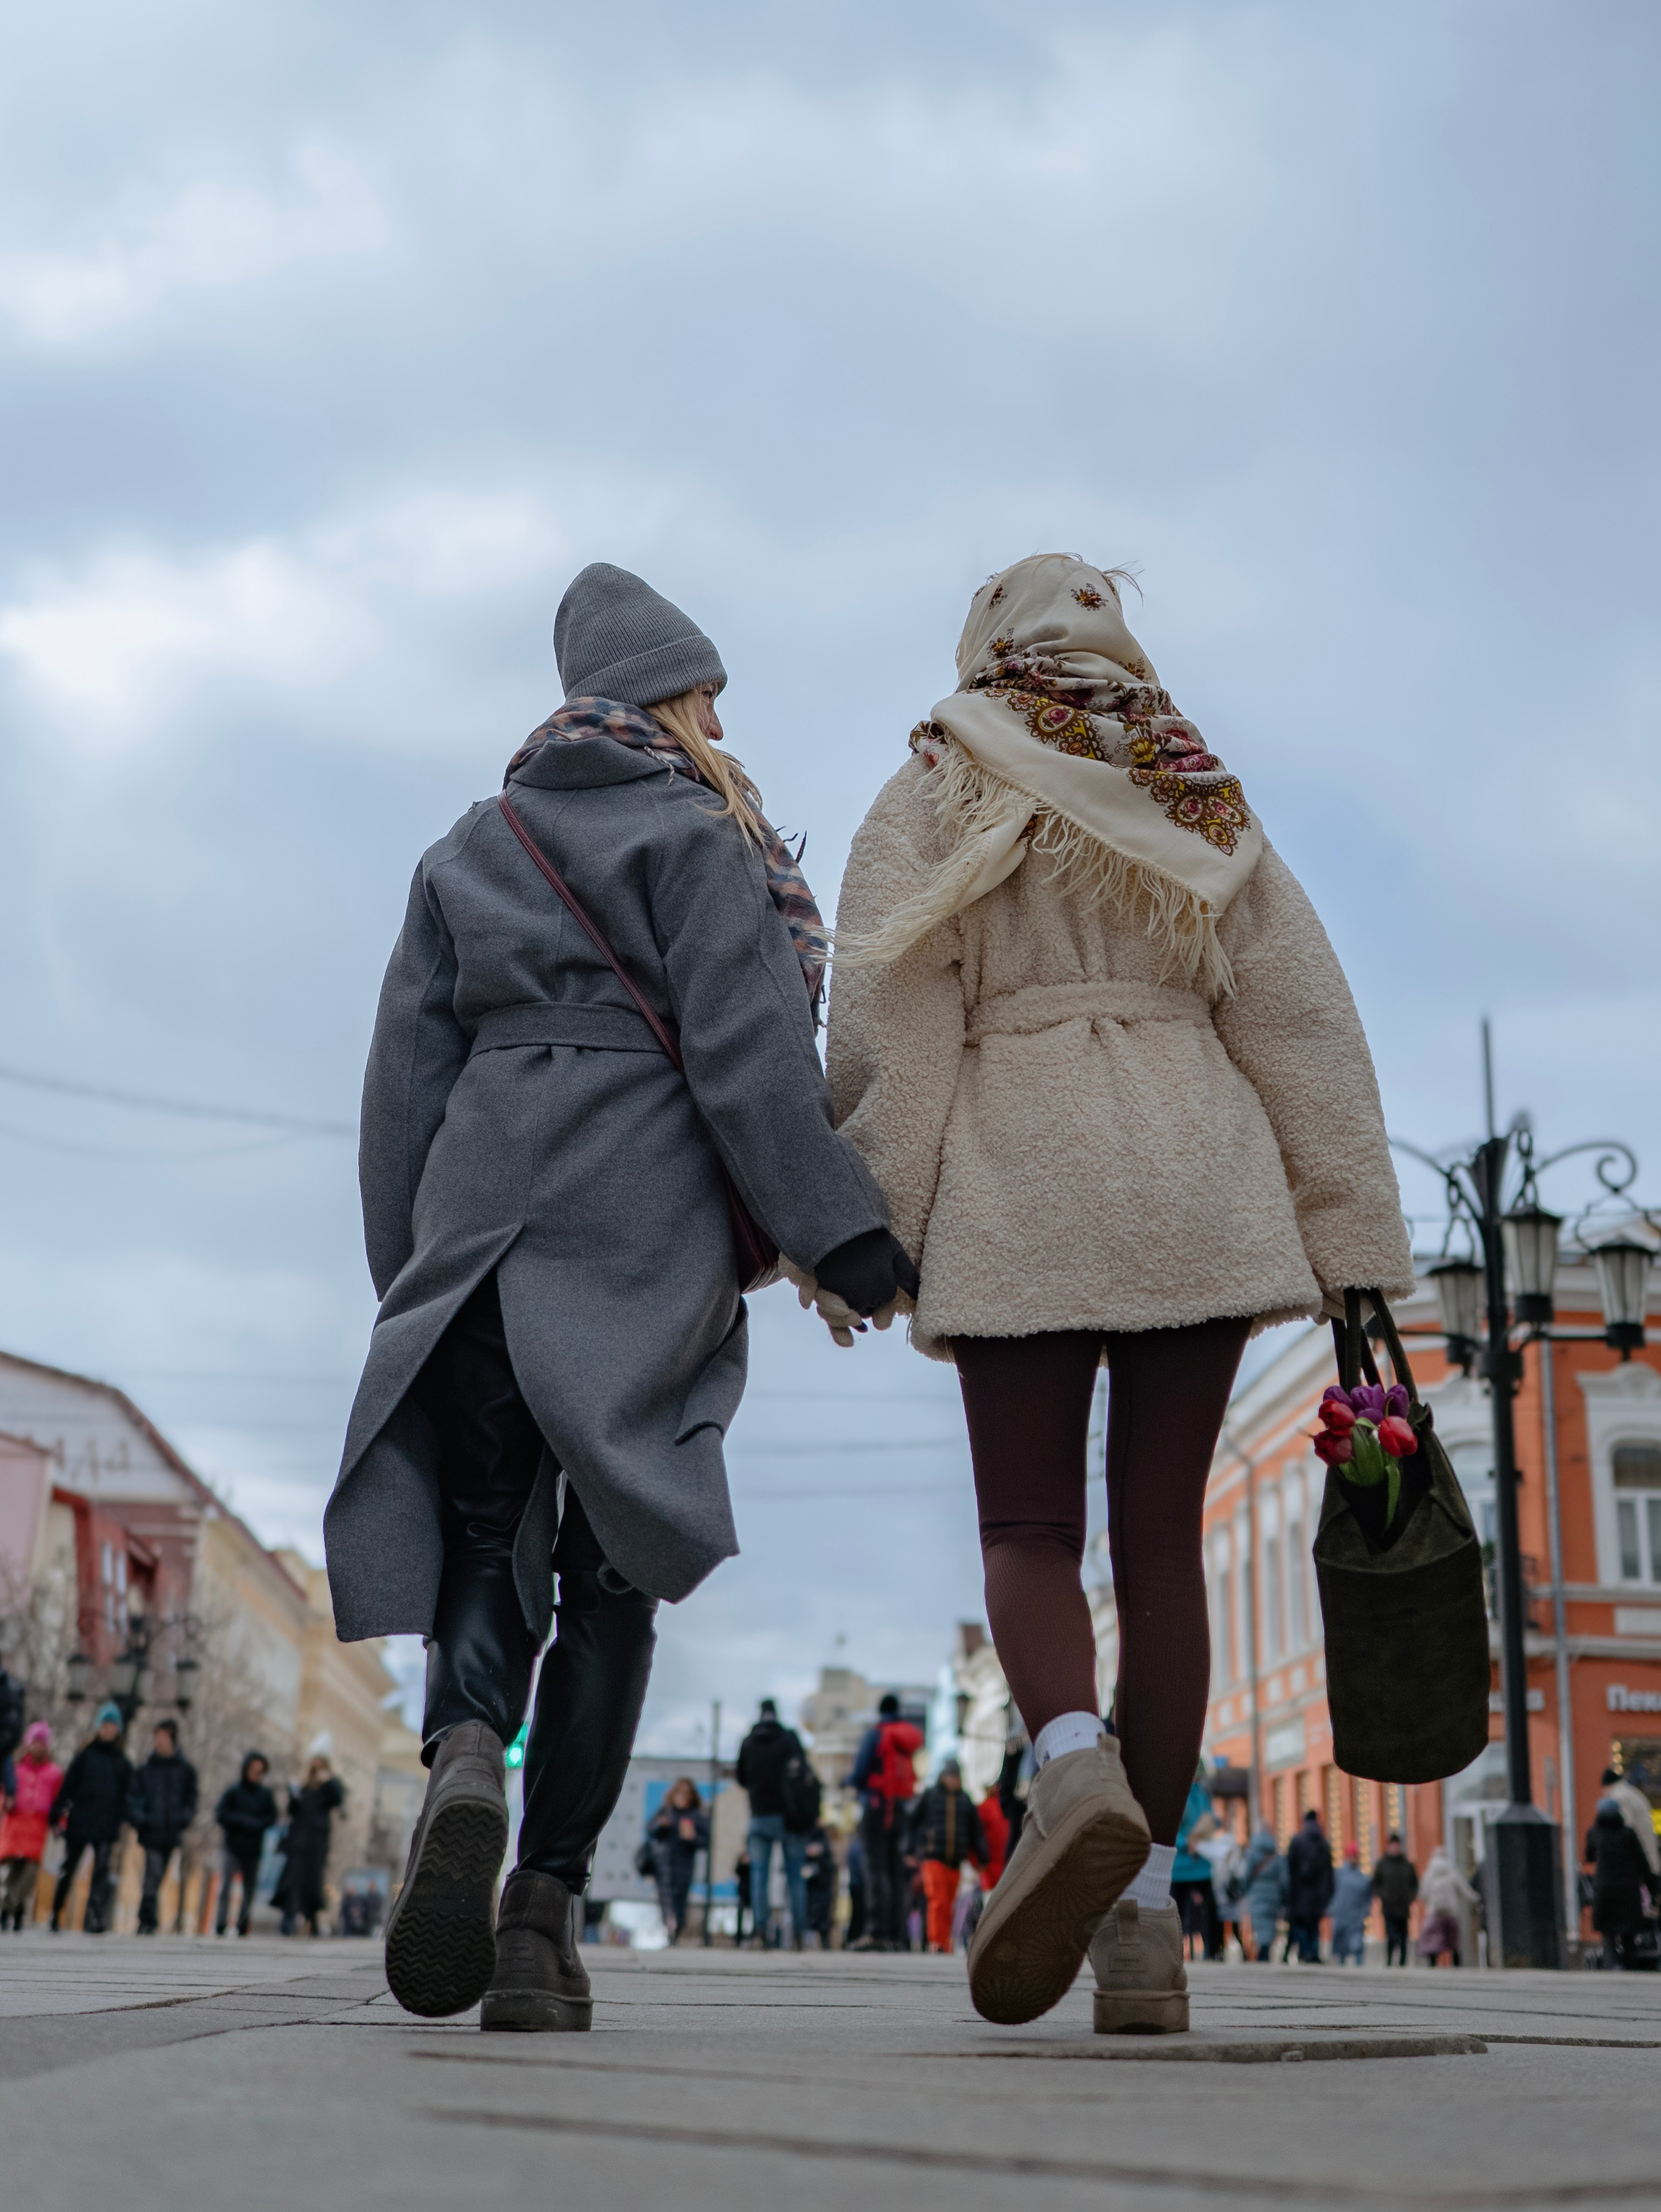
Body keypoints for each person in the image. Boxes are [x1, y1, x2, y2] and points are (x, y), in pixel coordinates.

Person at [827, 553, 1411, 2032]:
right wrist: (1345, 1238)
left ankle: (1068, 1760)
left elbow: (895, 1024)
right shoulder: (1188, 785)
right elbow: (1296, 1016)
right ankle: (1141, 1922)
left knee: (1030, 1528)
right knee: (1157, 1548)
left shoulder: (934, 788)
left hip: (1024, 1176)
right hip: (1197, 1178)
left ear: (980, 649)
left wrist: (864, 1230)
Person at [325, 564, 910, 2030]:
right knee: (612, 1569)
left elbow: (402, 1081)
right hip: (639, 1228)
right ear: (677, 694)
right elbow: (746, 1055)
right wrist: (841, 1239)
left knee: (484, 1528)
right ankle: (538, 1917)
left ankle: (466, 1748)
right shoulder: (699, 834)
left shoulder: (473, 842)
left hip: (480, 1220)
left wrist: (415, 1273)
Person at [845, 1694, 923, 1951]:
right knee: (895, 1871)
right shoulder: (905, 1739)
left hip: (877, 1808)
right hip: (900, 1809)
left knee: (875, 1870)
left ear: (880, 1712)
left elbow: (859, 1774)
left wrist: (851, 1783)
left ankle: (876, 1932)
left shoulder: (876, 1735)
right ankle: (897, 1935)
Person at [50, 1705, 132, 1933]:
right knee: (69, 1867)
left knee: (101, 1872)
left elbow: (129, 1795)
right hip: (81, 1820)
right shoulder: (85, 1756)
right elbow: (68, 1787)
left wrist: (126, 1816)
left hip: (107, 1823)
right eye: (105, 1725)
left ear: (118, 1730)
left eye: (113, 1726)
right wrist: (57, 1814)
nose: (108, 1730)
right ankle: (56, 1912)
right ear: (99, 1727)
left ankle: (95, 1916)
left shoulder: (123, 1763)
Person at [736, 1700, 811, 1947]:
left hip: (759, 1816)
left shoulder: (749, 1742)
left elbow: (741, 1778)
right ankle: (799, 1935)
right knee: (795, 1877)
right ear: (777, 1714)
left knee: (759, 1876)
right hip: (790, 1817)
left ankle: (760, 1931)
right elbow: (804, 1773)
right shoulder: (789, 1739)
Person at [127, 1719, 199, 1936]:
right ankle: (147, 1920)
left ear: (172, 1740)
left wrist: (183, 1819)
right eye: (156, 1736)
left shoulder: (186, 1771)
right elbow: (133, 1799)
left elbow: (191, 1799)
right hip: (150, 1832)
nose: (158, 1741)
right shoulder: (145, 1770)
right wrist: (141, 1819)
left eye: (162, 1736)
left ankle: (148, 1919)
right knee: (153, 1873)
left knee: (158, 1877)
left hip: (171, 1833)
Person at [909, 1759, 986, 1953]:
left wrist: (981, 1857)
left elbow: (975, 1830)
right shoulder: (931, 1796)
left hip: (955, 1860)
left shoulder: (965, 1800)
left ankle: (944, 1942)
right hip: (933, 1857)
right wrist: (911, 1850)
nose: (954, 1780)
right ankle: (937, 1942)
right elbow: (913, 1824)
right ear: (943, 1777)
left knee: (949, 1902)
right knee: (938, 1901)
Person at [0, 1723, 63, 1930]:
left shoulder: (54, 1773)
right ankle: (9, 1907)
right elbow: (4, 1792)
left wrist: (60, 1823)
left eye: (41, 1743)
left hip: (37, 1826)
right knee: (11, 1870)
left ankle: (14, 1906)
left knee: (30, 1872)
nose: (38, 1747)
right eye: (34, 1742)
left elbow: (59, 1801)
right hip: (15, 1824)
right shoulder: (15, 1769)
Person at [273, 1756, 344, 1936]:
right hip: (298, 1842)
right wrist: (293, 1795)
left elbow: (337, 1800)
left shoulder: (329, 1788)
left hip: (316, 1844)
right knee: (292, 1880)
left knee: (312, 1881)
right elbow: (293, 1811)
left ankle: (312, 1919)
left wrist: (327, 1781)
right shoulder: (304, 1789)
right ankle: (288, 1918)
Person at [1584, 1799, 1655, 1971]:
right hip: (1628, 1890)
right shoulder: (1628, 1833)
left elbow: (1589, 1856)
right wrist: (1652, 1887)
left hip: (1605, 1889)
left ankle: (1612, 1965)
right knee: (1629, 1933)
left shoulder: (1594, 1832)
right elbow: (1642, 1862)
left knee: (1608, 1934)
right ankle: (1630, 1966)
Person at [215, 1751, 279, 1937]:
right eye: (253, 1770)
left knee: (249, 1890)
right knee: (226, 1886)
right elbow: (221, 1815)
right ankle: (221, 1922)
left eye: (260, 1771)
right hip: (232, 1847)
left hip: (253, 1849)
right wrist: (241, 1821)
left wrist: (256, 1825)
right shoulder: (233, 1792)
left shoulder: (266, 1795)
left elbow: (271, 1818)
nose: (256, 1774)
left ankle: (243, 1923)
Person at [1169, 1768, 1221, 1962]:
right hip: (1181, 1867)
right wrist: (1185, 1844)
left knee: (1211, 1909)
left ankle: (1213, 1951)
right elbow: (1171, 1828)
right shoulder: (1177, 1795)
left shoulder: (1203, 1793)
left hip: (1202, 1864)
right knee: (1177, 1914)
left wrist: (1215, 1824)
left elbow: (1210, 1818)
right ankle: (1173, 1953)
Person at [648, 1777, 708, 1943]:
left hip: (685, 1864)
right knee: (665, 1896)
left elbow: (706, 1842)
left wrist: (693, 1837)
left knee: (679, 1897)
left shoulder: (696, 1816)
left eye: (686, 1793)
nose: (682, 1796)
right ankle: (669, 1927)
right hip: (663, 1863)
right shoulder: (666, 1811)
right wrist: (661, 1825)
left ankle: (677, 1929)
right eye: (679, 1792)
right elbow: (650, 1829)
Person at [1285, 1809, 1334, 1963]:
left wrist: (1289, 1895)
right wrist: (1327, 1896)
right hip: (1318, 1896)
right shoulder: (1323, 1843)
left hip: (1300, 1894)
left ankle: (1305, 1952)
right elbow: (1329, 1873)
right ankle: (1313, 1952)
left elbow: (1289, 1870)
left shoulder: (1297, 1842)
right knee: (1314, 1925)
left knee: (1300, 1925)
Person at [1416, 1844, 1477, 1966]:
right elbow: (1466, 1891)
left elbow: (1423, 1894)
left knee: (1433, 1940)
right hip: (1451, 1912)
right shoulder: (1453, 1873)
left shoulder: (1430, 1874)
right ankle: (1456, 1964)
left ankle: (1433, 1963)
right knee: (1453, 1941)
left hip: (1434, 1912)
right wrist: (1477, 1898)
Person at [1600, 1766, 1661, 1882]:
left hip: (1637, 1863)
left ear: (1607, 1786)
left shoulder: (1619, 1798)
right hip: (1647, 1857)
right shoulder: (1632, 1792)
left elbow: (1625, 1829)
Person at [1240, 1824, 1287, 1963]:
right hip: (1273, 1893)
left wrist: (1244, 1889)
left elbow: (1246, 1874)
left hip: (1256, 1892)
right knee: (1270, 1922)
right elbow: (1284, 1879)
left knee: (1259, 1922)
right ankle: (1265, 1948)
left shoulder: (1252, 1853)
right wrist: (1284, 1895)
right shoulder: (1276, 1854)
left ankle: (1263, 1948)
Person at [1370, 1831, 1418, 1966]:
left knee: (1403, 1937)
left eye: (1397, 1845)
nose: (1395, 1848)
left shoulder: (1407, 1865)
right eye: (1393, 1845)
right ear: (1389, 1847)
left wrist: (1410, 1897)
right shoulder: (1382, 1865)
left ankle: (1403, 1962)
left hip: (1403, 1907)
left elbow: (1414, 1884)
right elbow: (1375, 1884)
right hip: (1389, 1906)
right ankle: (1390, 1961)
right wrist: (1382, 1895)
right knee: (1391, 1936)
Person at [1329, 1841, 1374, 1966]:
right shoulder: (1338, 1874)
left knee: (1357, 1944)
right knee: (1341, 1946)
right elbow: (1331, 1892)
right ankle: (1341, 1966)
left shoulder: (1363, 1878)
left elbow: (1368, 1897)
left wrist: (1365, 1911)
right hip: (1341, 1914)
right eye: (1352, 1855)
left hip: (1356, 1917)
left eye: (1356, 1856)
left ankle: (1359, 1966)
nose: (1354, 1858)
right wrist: (1332, 1908)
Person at [800, 1822, 838, 1949]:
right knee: (810, 1914)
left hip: (822, 1884)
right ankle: (807, 1943)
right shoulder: (807, 1835)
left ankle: (824, 1943)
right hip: (811, 1885)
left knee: (822, 1915)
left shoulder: (821, 1837)